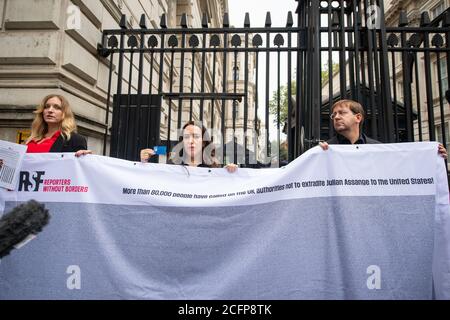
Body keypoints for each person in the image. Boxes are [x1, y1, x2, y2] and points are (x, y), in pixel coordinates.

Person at [319, 99, 448, 159]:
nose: (336, 117)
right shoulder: (325, 149)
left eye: (342, 113)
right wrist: (318, 156)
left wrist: (433, 156)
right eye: (334, 114)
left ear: (358, 118)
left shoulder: (377, 148)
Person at [140, 121, 238, 173]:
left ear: (204, 142)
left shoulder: (215, 169)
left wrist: (230, 174)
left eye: (196, 136)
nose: (191, 141)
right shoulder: (172, 165)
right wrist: (144, 163)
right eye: (186, 137)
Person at [25, 94, 92, 156]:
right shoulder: (31, 139)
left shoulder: (75, 140)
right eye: (47, 107)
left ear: (64, 113)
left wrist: (86, 158)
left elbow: (79, 166)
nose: (50, 110)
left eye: (57, 107)